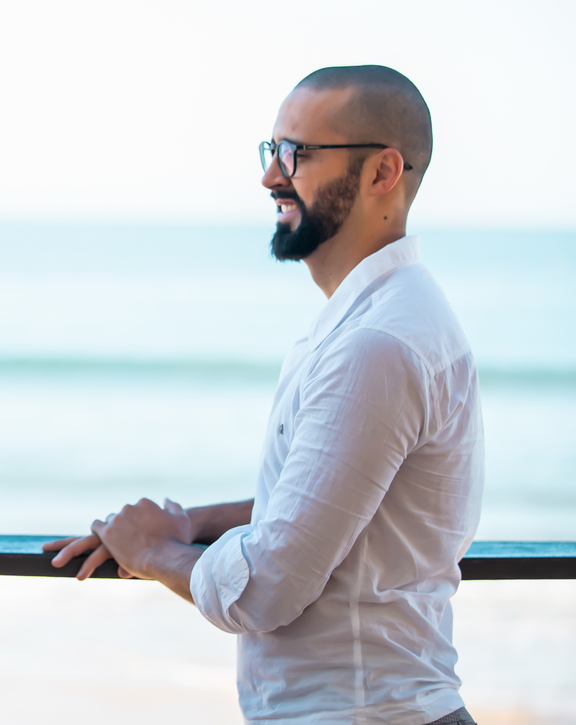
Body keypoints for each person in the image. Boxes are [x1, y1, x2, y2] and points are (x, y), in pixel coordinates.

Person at [46, 66, 484, 725]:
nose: (271, 176)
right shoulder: (379, 317)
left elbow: (267, 588)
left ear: (382, 173)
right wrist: (190, 524)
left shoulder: (377, 343)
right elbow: (331, 499)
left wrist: (153, 553)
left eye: (298, 153)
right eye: (272, 149)